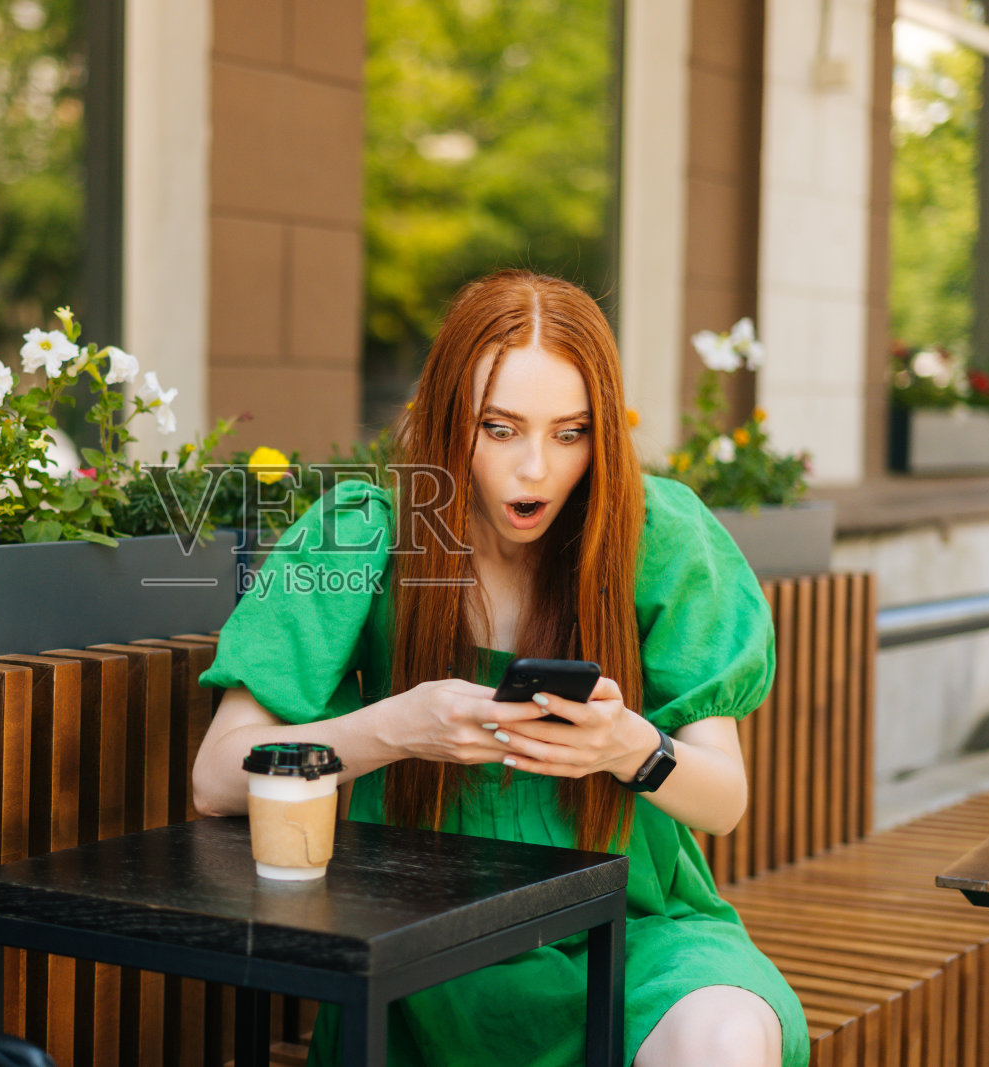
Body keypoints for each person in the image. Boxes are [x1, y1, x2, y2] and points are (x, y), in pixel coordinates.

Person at [192, 270, 807, 1067]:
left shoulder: (659, 536)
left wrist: (628, 746)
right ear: (450, 421)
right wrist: (394, 726)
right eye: (501, 428)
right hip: (430, 951)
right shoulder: (360, 535)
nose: (536, 470)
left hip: (636, 933)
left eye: (571, 432)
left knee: (727, 1039)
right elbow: (214, 777)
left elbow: (724, 799)